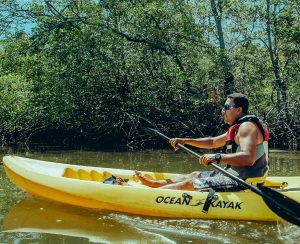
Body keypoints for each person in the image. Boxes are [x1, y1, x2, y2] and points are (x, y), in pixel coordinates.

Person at [135, 93, 269, 191]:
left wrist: (216, 157)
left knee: (189, 184)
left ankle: (151, 194)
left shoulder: (247, 127)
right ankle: (153, 184)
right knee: (195, 174)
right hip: (233, 174)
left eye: (226, 107)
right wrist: (185, 141)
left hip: (243, 181)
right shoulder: (237, 128)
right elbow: (212, 142)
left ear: (238, 110)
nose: (223, 111)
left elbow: (248, 158)